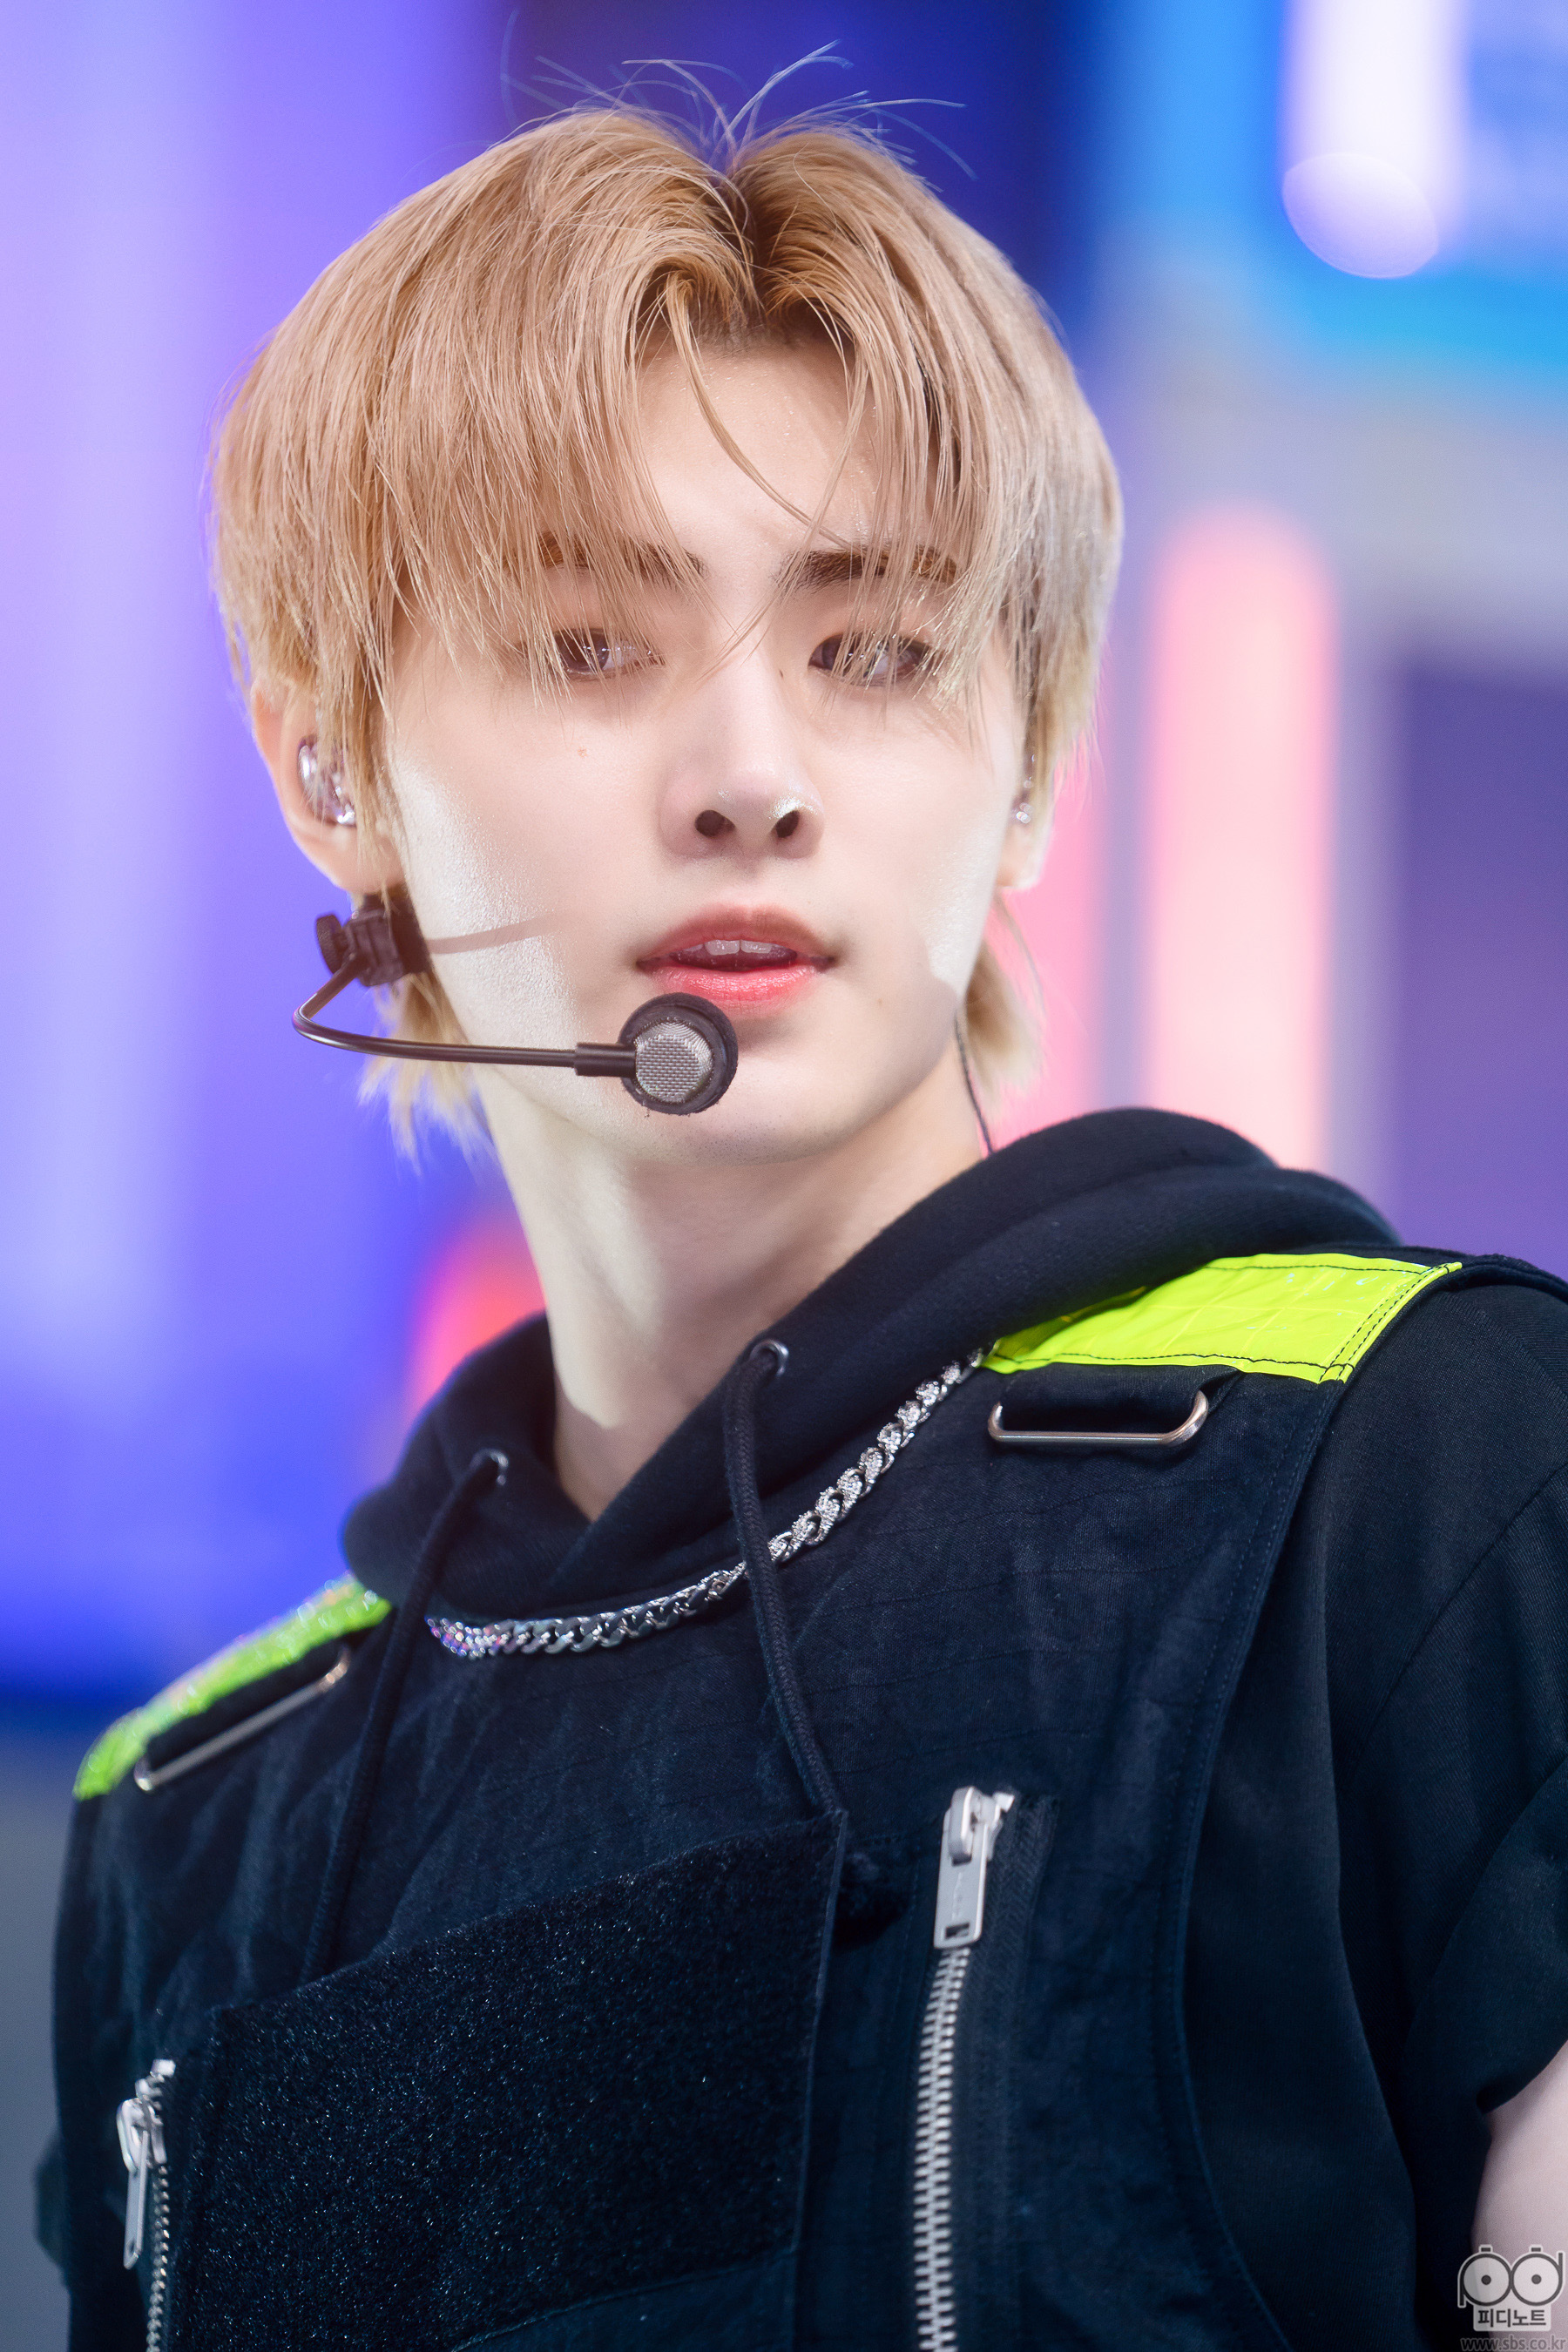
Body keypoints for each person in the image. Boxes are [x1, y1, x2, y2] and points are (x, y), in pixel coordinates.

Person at [43, 102, 1568, 2352]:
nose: (751, 775)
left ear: (1028, 759)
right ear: (325, 767)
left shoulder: (1430, 1471)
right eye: (591, 642)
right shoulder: (196, 1808)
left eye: (875, 651)